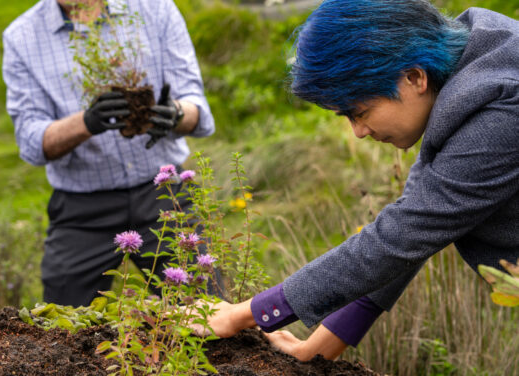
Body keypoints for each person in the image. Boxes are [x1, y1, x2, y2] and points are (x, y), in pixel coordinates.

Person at [197, 0, 519, 361]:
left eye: (361, 112)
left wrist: (243, 315)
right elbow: (414, 229)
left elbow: (405, 235)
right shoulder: (471, 67)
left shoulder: (502, 107)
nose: (359, 132)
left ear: (414, 77)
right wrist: (312, 352)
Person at [2, 0, 215, 306]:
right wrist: (86, 123)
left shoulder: (154, 8)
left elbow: (199, 109)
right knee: (62, 326)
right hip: (82, 211)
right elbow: (31, 142)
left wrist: (176, 114)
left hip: (164, 194)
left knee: (208, 311)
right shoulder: (22, 36)